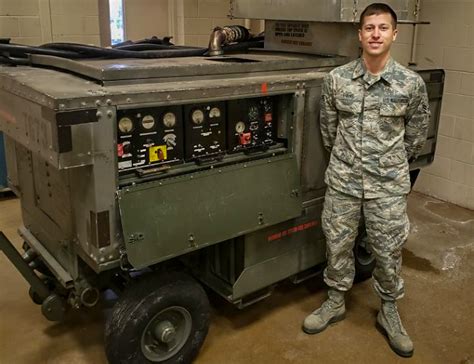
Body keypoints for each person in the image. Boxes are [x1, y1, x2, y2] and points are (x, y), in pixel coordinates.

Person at [302, 2, 430, 358]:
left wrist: (387, 166)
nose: (376, 34)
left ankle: (389, 310)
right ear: (359, 35)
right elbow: (328, 130)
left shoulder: (410, 84)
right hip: (343, 181)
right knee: (337, 244)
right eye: (369, 28)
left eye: (383, 28)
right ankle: (335, 301)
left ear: (394, 33)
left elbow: (416, 135)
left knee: (387, 252)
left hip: (387, 186)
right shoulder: (337, 80)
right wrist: (349, 164)